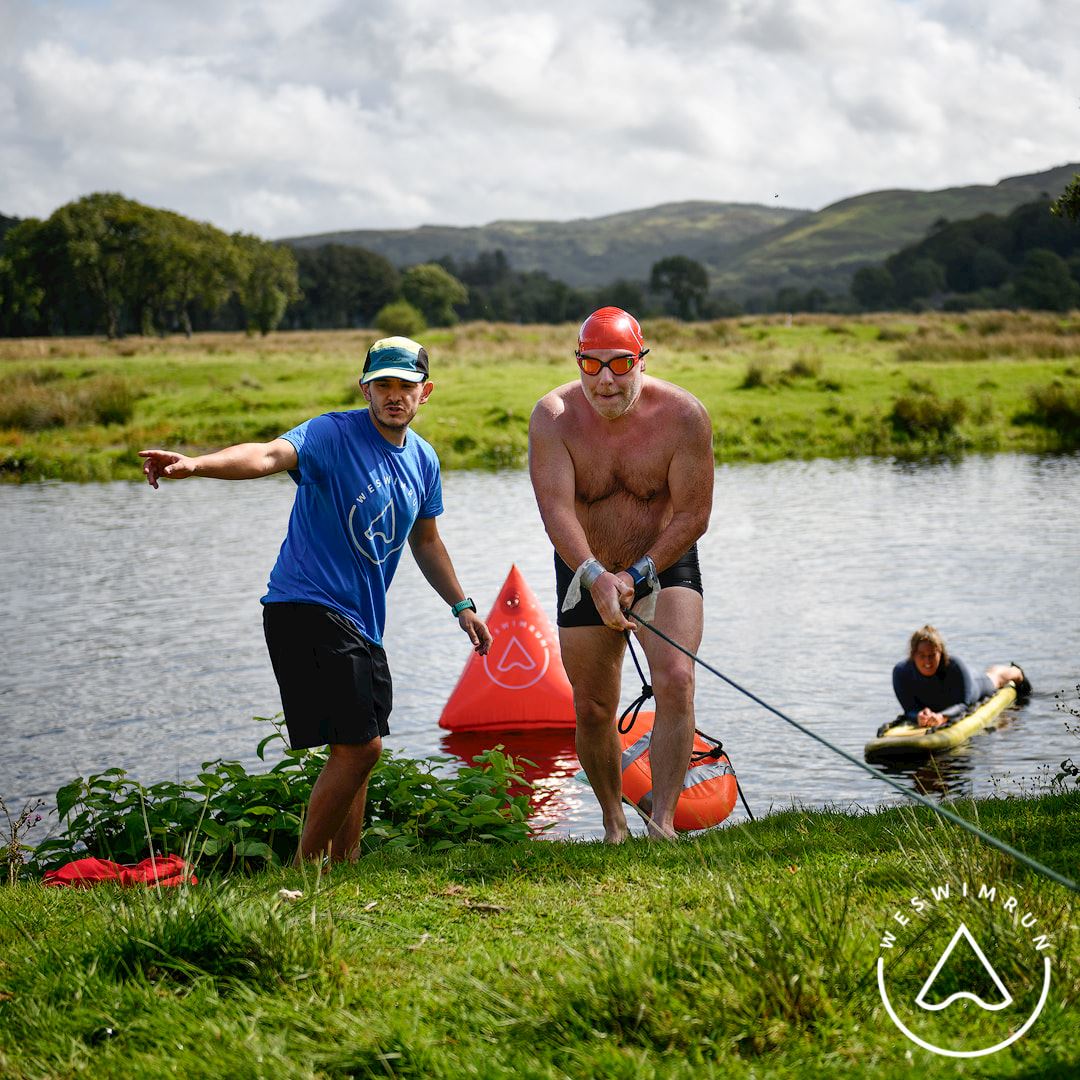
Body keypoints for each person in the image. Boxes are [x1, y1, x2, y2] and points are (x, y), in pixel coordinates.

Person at [140, 336, 491, 863]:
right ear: (365, 389)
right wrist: (196, 465)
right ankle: (306, 870)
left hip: (363, 622)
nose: (395, 395)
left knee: (358, 749)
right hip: (305, 605)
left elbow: (426, 541)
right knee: (361, 746)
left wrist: (461, 606)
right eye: (383, 385)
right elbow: (265, 456)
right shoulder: (331, 433)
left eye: (406, 385)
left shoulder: (423, 459)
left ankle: (342, 870)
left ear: (426, 392)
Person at [528, 307, 713, 842]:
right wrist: (594, 575)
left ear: (641, 360)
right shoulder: (553, 415)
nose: (605, 380)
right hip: (582, 566)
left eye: (619, 364)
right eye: (592, 365)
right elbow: (556, 511)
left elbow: (693, 515)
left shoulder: (683, 416)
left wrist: (636, 574)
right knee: (592, 703)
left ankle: (663, 822)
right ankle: (613, 823)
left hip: (663, 560)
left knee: (675, 680)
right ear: (579, 361)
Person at [892, 625, 1030, 728]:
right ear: (913, 655)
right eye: (922, 656)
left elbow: (964, 704)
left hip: (972, 684)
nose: (927, 661)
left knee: (995, 678)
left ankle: (1015, 671)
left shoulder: (954, 666)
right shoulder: (901, 672)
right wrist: (918, 716)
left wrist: (942, 717)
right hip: (941, 701)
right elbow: (909, 709)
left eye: (932, 655)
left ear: (940, 652)